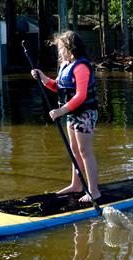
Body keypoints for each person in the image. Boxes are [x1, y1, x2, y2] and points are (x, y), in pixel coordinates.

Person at [31, 31, 100, 202]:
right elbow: (59, 87)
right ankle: (76, 185)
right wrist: (43, 78)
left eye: (61, 48)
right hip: (72, 112)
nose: (59, 52)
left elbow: (81, 96)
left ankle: (94, 191)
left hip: (85, 113)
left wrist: (61, 111)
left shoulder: (81, 67)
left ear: (70, 48)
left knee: (85, 151)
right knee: (74, 150)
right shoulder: (66, 66)